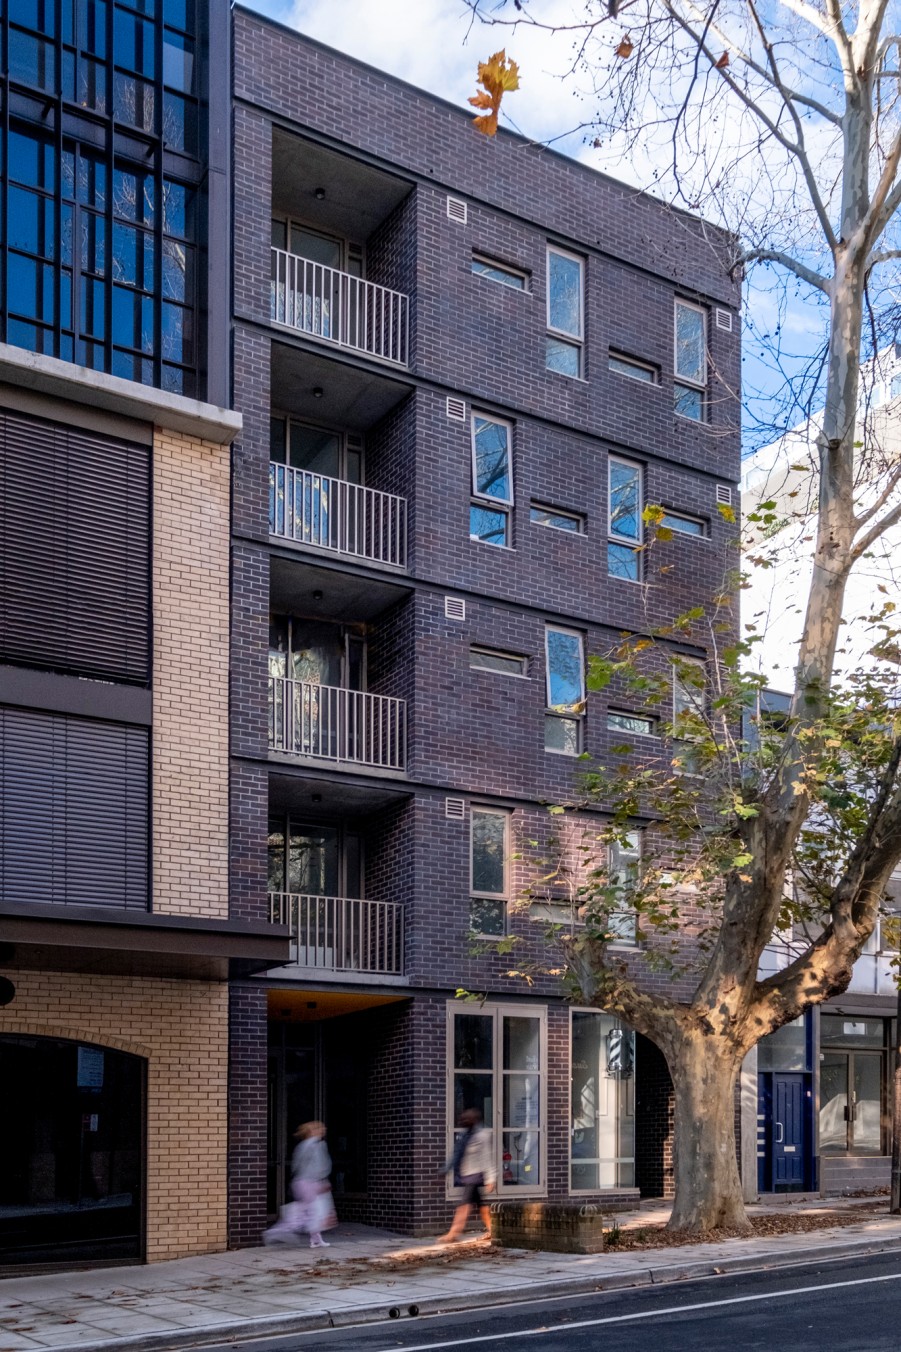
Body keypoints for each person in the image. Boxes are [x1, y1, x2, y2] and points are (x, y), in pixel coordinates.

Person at [436, 1107, 496, 1243]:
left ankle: (453, 1233)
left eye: (466, 1119)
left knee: (464, 1204)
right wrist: (446, 1168)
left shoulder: (482, 1136)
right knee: (481, 1205)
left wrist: (490, 1179)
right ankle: (493, 1230)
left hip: (476, 1174)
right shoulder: (464, 1135)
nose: (462, 1121)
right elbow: (456, 1153)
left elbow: (487, 1158)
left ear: (474, 1120)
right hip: (466, 1174)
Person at [290, 1120, 335, 1248]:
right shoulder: (314, 1145)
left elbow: (297, 1164)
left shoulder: (307, 1145)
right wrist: (321, 1180)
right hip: (311, 1182)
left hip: (306, 1181)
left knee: (314, 1210)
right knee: (314, 1210)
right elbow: (319, 1165)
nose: (323, 1131)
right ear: (312, 1131)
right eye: (320, 1129)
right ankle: (281, 1230)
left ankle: (315, 1239)